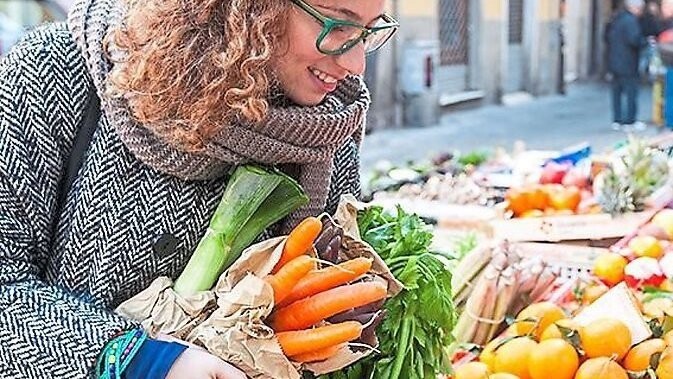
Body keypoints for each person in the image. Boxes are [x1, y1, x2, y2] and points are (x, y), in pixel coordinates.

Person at [0, 0, 398, 377]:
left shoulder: (326, 125)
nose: (355, 63)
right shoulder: (55, 73)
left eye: (368, 30)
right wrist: (138, 362)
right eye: (337, 24)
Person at [605, 0, 647, 131]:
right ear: (635, 8)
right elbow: (634, 39)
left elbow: (606, 37)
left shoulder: (616, 19)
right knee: (631, 92)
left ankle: (617, 120)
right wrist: (645, 42)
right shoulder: (630, 21)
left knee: (616, 93)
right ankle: (629, 121)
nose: (641, 12)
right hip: (628, 62)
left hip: (614, 61)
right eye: (640, 9)